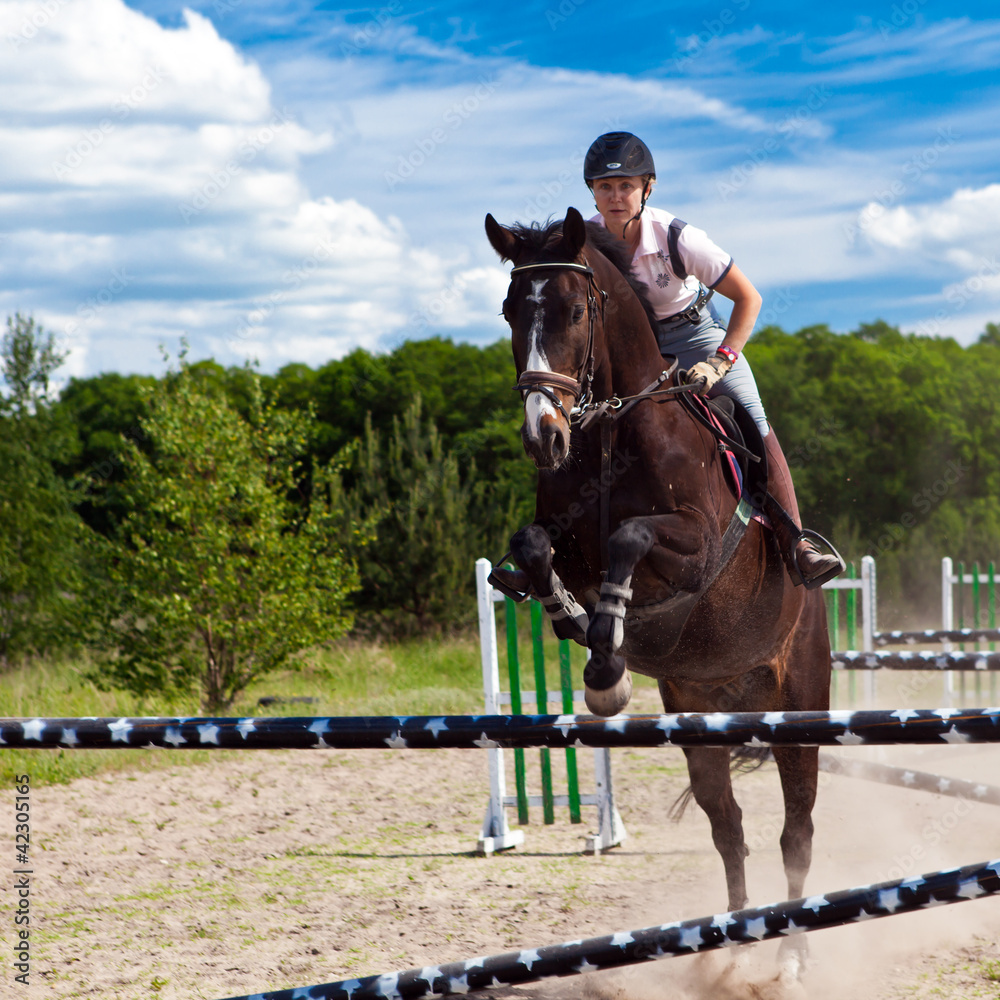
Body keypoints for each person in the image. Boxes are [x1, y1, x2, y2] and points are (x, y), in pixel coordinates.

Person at [584, 131, 842, 589]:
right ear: (592, 193)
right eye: (605, 187)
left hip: (695, 336)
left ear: (648, 187)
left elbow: (750, 298)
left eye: (626, 185)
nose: (616, 196)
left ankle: (797, 544)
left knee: (753, 419)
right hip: (628, 348)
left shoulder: (678, 236)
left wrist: (720, 362)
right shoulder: (583, 240)